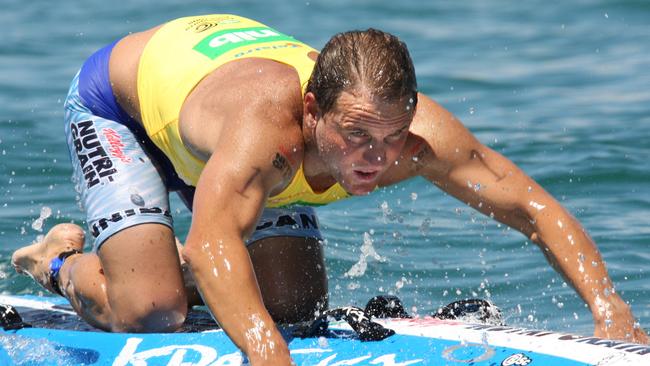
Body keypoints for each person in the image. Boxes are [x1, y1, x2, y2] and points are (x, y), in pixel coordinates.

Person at [12, 13, 647, 364]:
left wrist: (609, 309)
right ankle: (59, 261)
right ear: (312, 110)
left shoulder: (416, 139)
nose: (376, 158)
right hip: (123, 104)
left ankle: (168, 258)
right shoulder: (271, 133)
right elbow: (214, 243)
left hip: (220, 131)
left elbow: (531, 206)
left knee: (294, 307)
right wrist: (269, 357)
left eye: (392, 136)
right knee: (151, 311)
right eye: (355, 136)